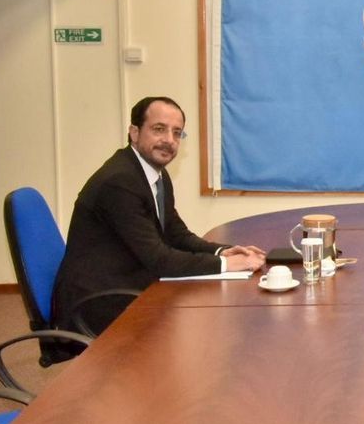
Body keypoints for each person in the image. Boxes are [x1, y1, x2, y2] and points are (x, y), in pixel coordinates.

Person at [52, 96, 265, 339]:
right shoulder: (119, 182)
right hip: (100, 303)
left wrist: (222, 252)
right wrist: (227, 266)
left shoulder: (155, 175)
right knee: (206, 330)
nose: (169, 140)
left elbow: (176, 234)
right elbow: (159, 259)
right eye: (159, 129)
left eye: (177, 133)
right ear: (134, 133)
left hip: (129, 284)